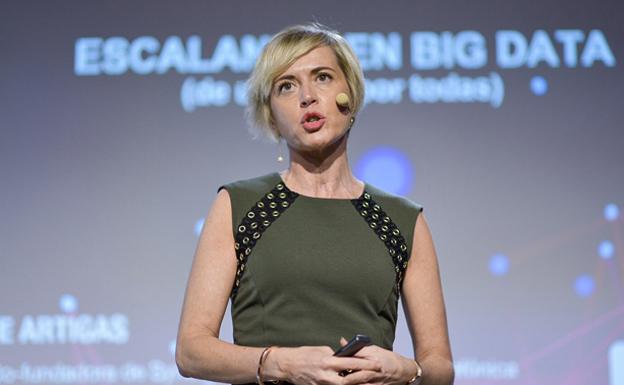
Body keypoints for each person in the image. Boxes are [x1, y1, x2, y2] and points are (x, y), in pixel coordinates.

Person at [175, 23, 454, 385]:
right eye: (286, 86)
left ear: (349, 95)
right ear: (271, 116)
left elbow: (440, 367)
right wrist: (279, 364)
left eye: (322, 77)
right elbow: (191, 351)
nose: (307, 96)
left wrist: (408, 371)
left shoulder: (402, 219)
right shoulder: (240, 205)